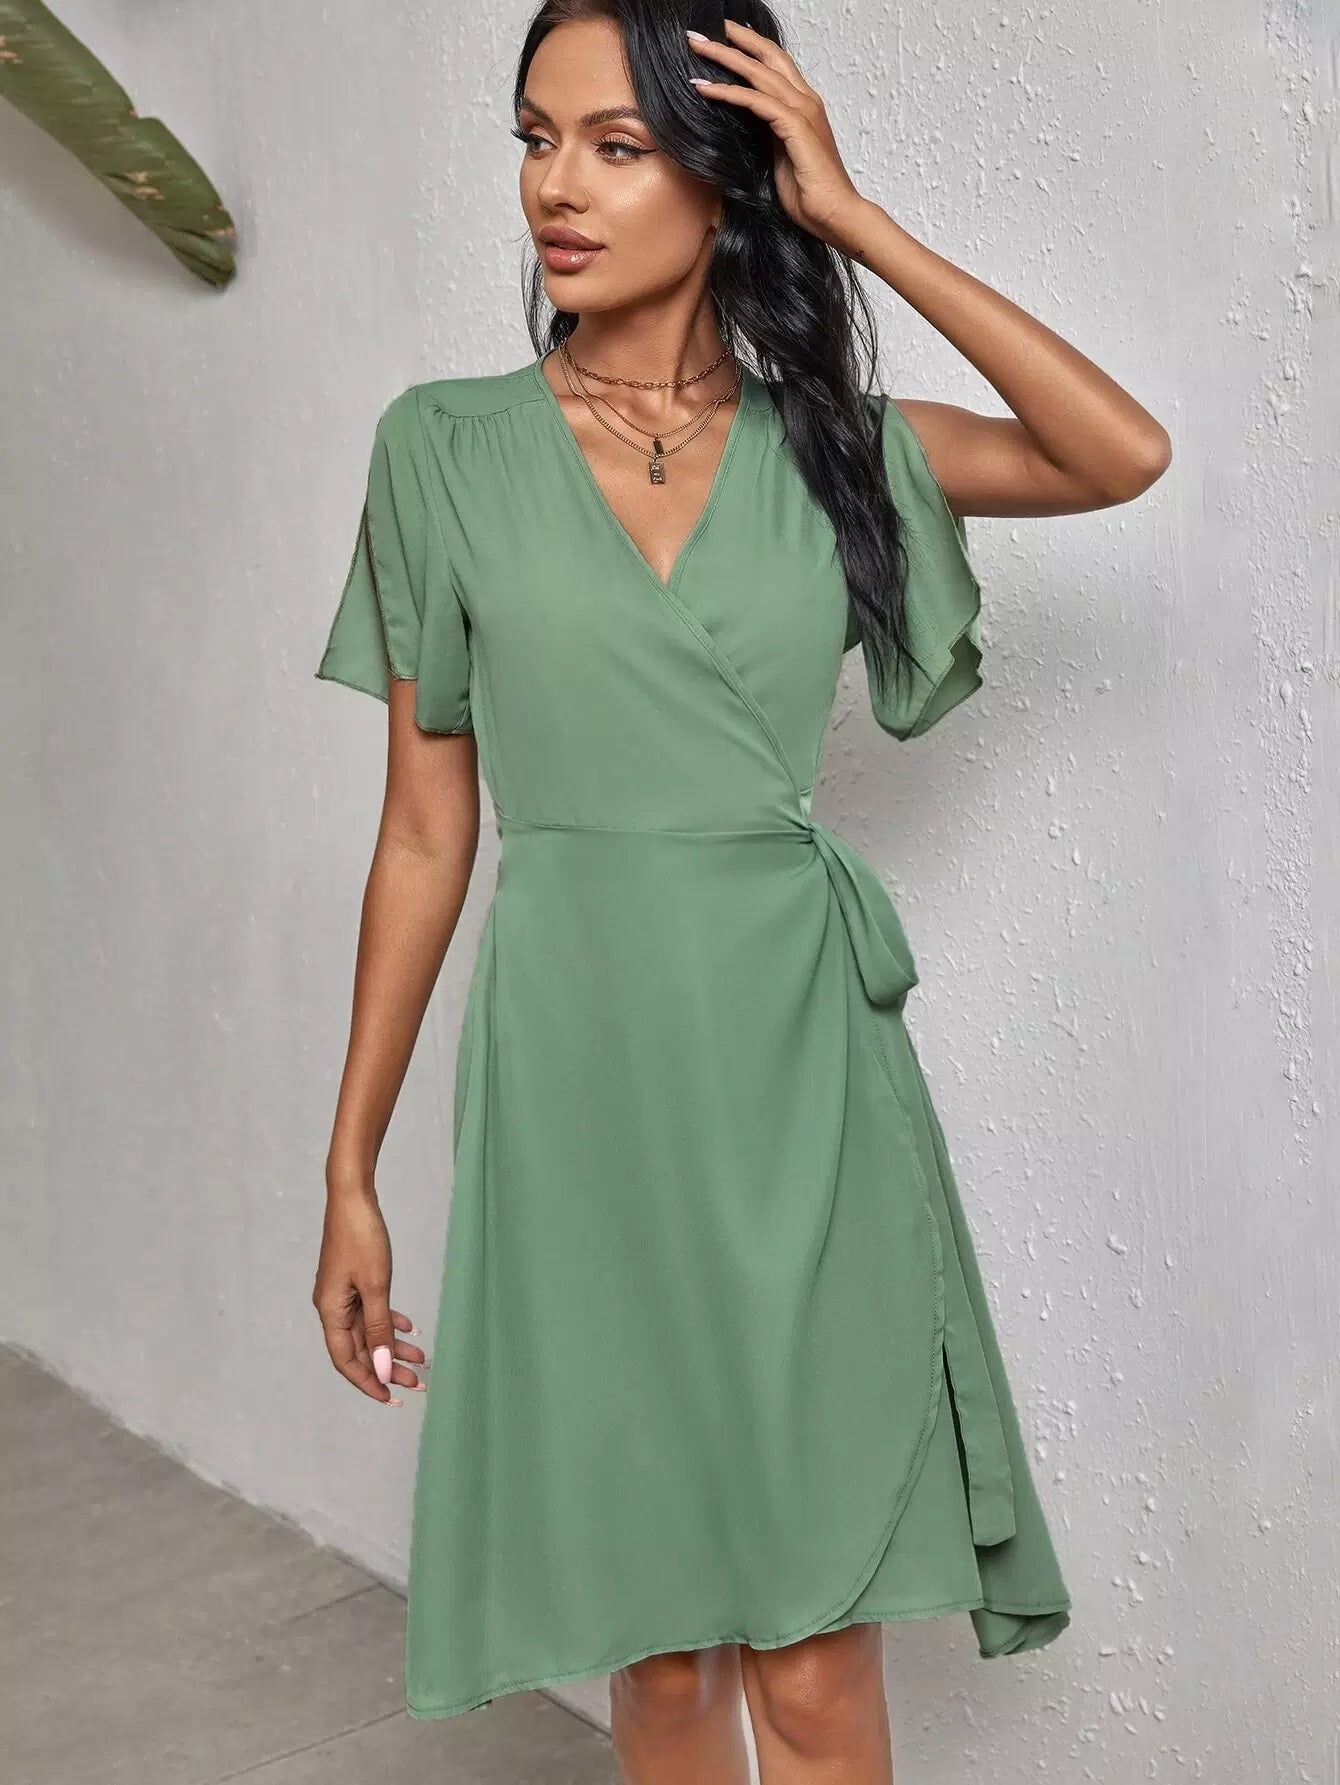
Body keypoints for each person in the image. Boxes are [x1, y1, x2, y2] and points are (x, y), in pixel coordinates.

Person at [311, 4, 1171, 1781]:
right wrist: (350, 1167)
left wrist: (852, 215)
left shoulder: (835, 446)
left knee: (817, 1659)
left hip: (800, 1074)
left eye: (617, 146)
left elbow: (1118, 452)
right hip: (577, 1077)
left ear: (727, 178)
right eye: (536, 137)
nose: (556, 186)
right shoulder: (440, 449)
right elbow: (422, 834)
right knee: (660, 1652)